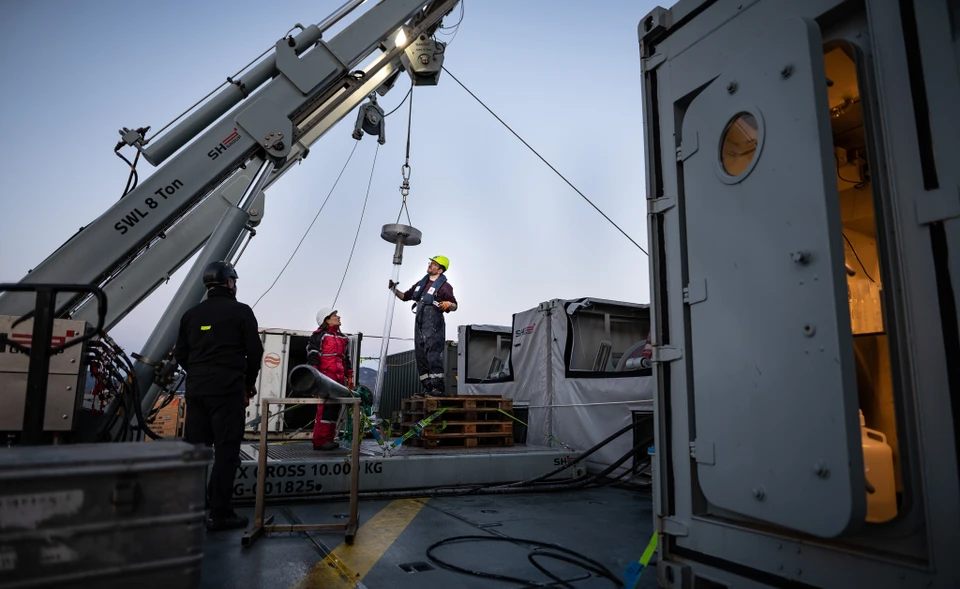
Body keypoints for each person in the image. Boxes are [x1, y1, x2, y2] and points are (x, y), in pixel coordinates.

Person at [174, 260, 263, 532]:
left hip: (197, 391)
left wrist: (199, 374)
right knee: (226, 452)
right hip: (227, 390)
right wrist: (248, 383)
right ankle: (219, 513)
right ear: (229, 282)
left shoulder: (190, 315)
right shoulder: (242, 312)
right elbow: (255, 352)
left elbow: (181, 354)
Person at [388, 255, 457, 397]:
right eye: (431, 263)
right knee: (421, 356)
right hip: (419, 322)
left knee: (432, 354)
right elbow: (405, 296)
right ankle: (428, 388)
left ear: (440, 270)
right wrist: (393, 289)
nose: (430, 265)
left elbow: (454, 305)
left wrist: (449, 304)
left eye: (434, 264)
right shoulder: (421, 283)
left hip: (434, 323)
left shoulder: (445, 286)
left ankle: (438, 388)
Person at [306, 308, 354, 451]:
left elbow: (346, 359)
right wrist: (315, 378)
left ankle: (329, 439)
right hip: (325, 377)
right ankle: (320, 441)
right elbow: (312, 356)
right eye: (335, 315)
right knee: (325, 408)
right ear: (327, 319)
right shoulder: (318, 336)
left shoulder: (343, 338)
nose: (338, 317)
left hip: (339, 378)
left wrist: (349, 376)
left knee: (335, 408)